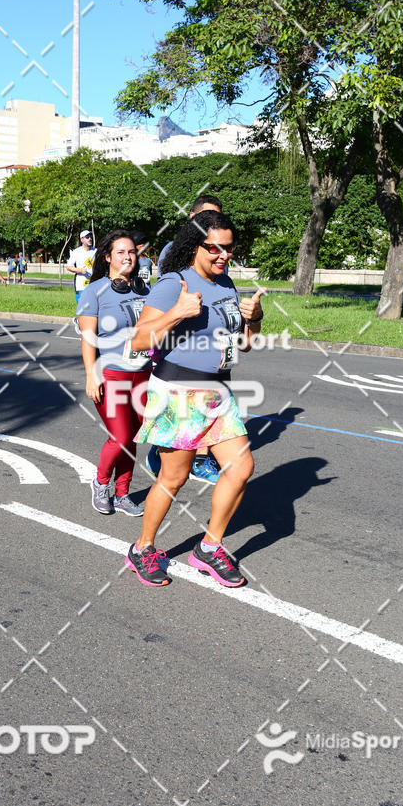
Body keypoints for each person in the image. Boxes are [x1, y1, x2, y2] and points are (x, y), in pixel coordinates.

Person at [124, 210, 264, 587]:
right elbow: (138, 340)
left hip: (218, 392)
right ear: (194, 245)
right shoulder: (174, 283)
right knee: (174, 477)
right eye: (214, 248)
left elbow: (242, 348)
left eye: (229, 249)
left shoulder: (228, 285)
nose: (223, 255)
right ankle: (143, 549)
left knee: (241, 468)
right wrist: (178, 313)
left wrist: (255, 320)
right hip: (177, 392)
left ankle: (209, 547)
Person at [149, 194, 224, 486]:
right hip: (178, 339)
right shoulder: (174, 250)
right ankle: (163, 450)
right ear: (191, 218)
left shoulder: (220, 251)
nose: (210, 223)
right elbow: (165, 296)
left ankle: (202, 460)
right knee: (181, 410)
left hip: (212, 340)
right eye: (204, 217)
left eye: (216, 217)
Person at [77, 230, 152, 517]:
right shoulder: (94, 291)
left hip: (143, 374)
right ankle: (100, 483)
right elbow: (88, 338)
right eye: (120, 252)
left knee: (134, 436)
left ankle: (122, 493)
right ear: (107, 257)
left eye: (132, 252)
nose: (128, 257)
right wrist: (90, 375)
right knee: (120, 436)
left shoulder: (145, 290)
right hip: (111, 374)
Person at [67, 230, 97, 334]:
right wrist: (80, 270)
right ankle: (79, 321)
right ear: (82, 239)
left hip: (93, 284)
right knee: (82, 307)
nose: (90, 238)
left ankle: (89, 328)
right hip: (80, 284)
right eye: (87, 237)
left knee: (93, 306)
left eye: (90, 236)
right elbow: (69, 266)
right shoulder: (77, 252)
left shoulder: (95, 251)